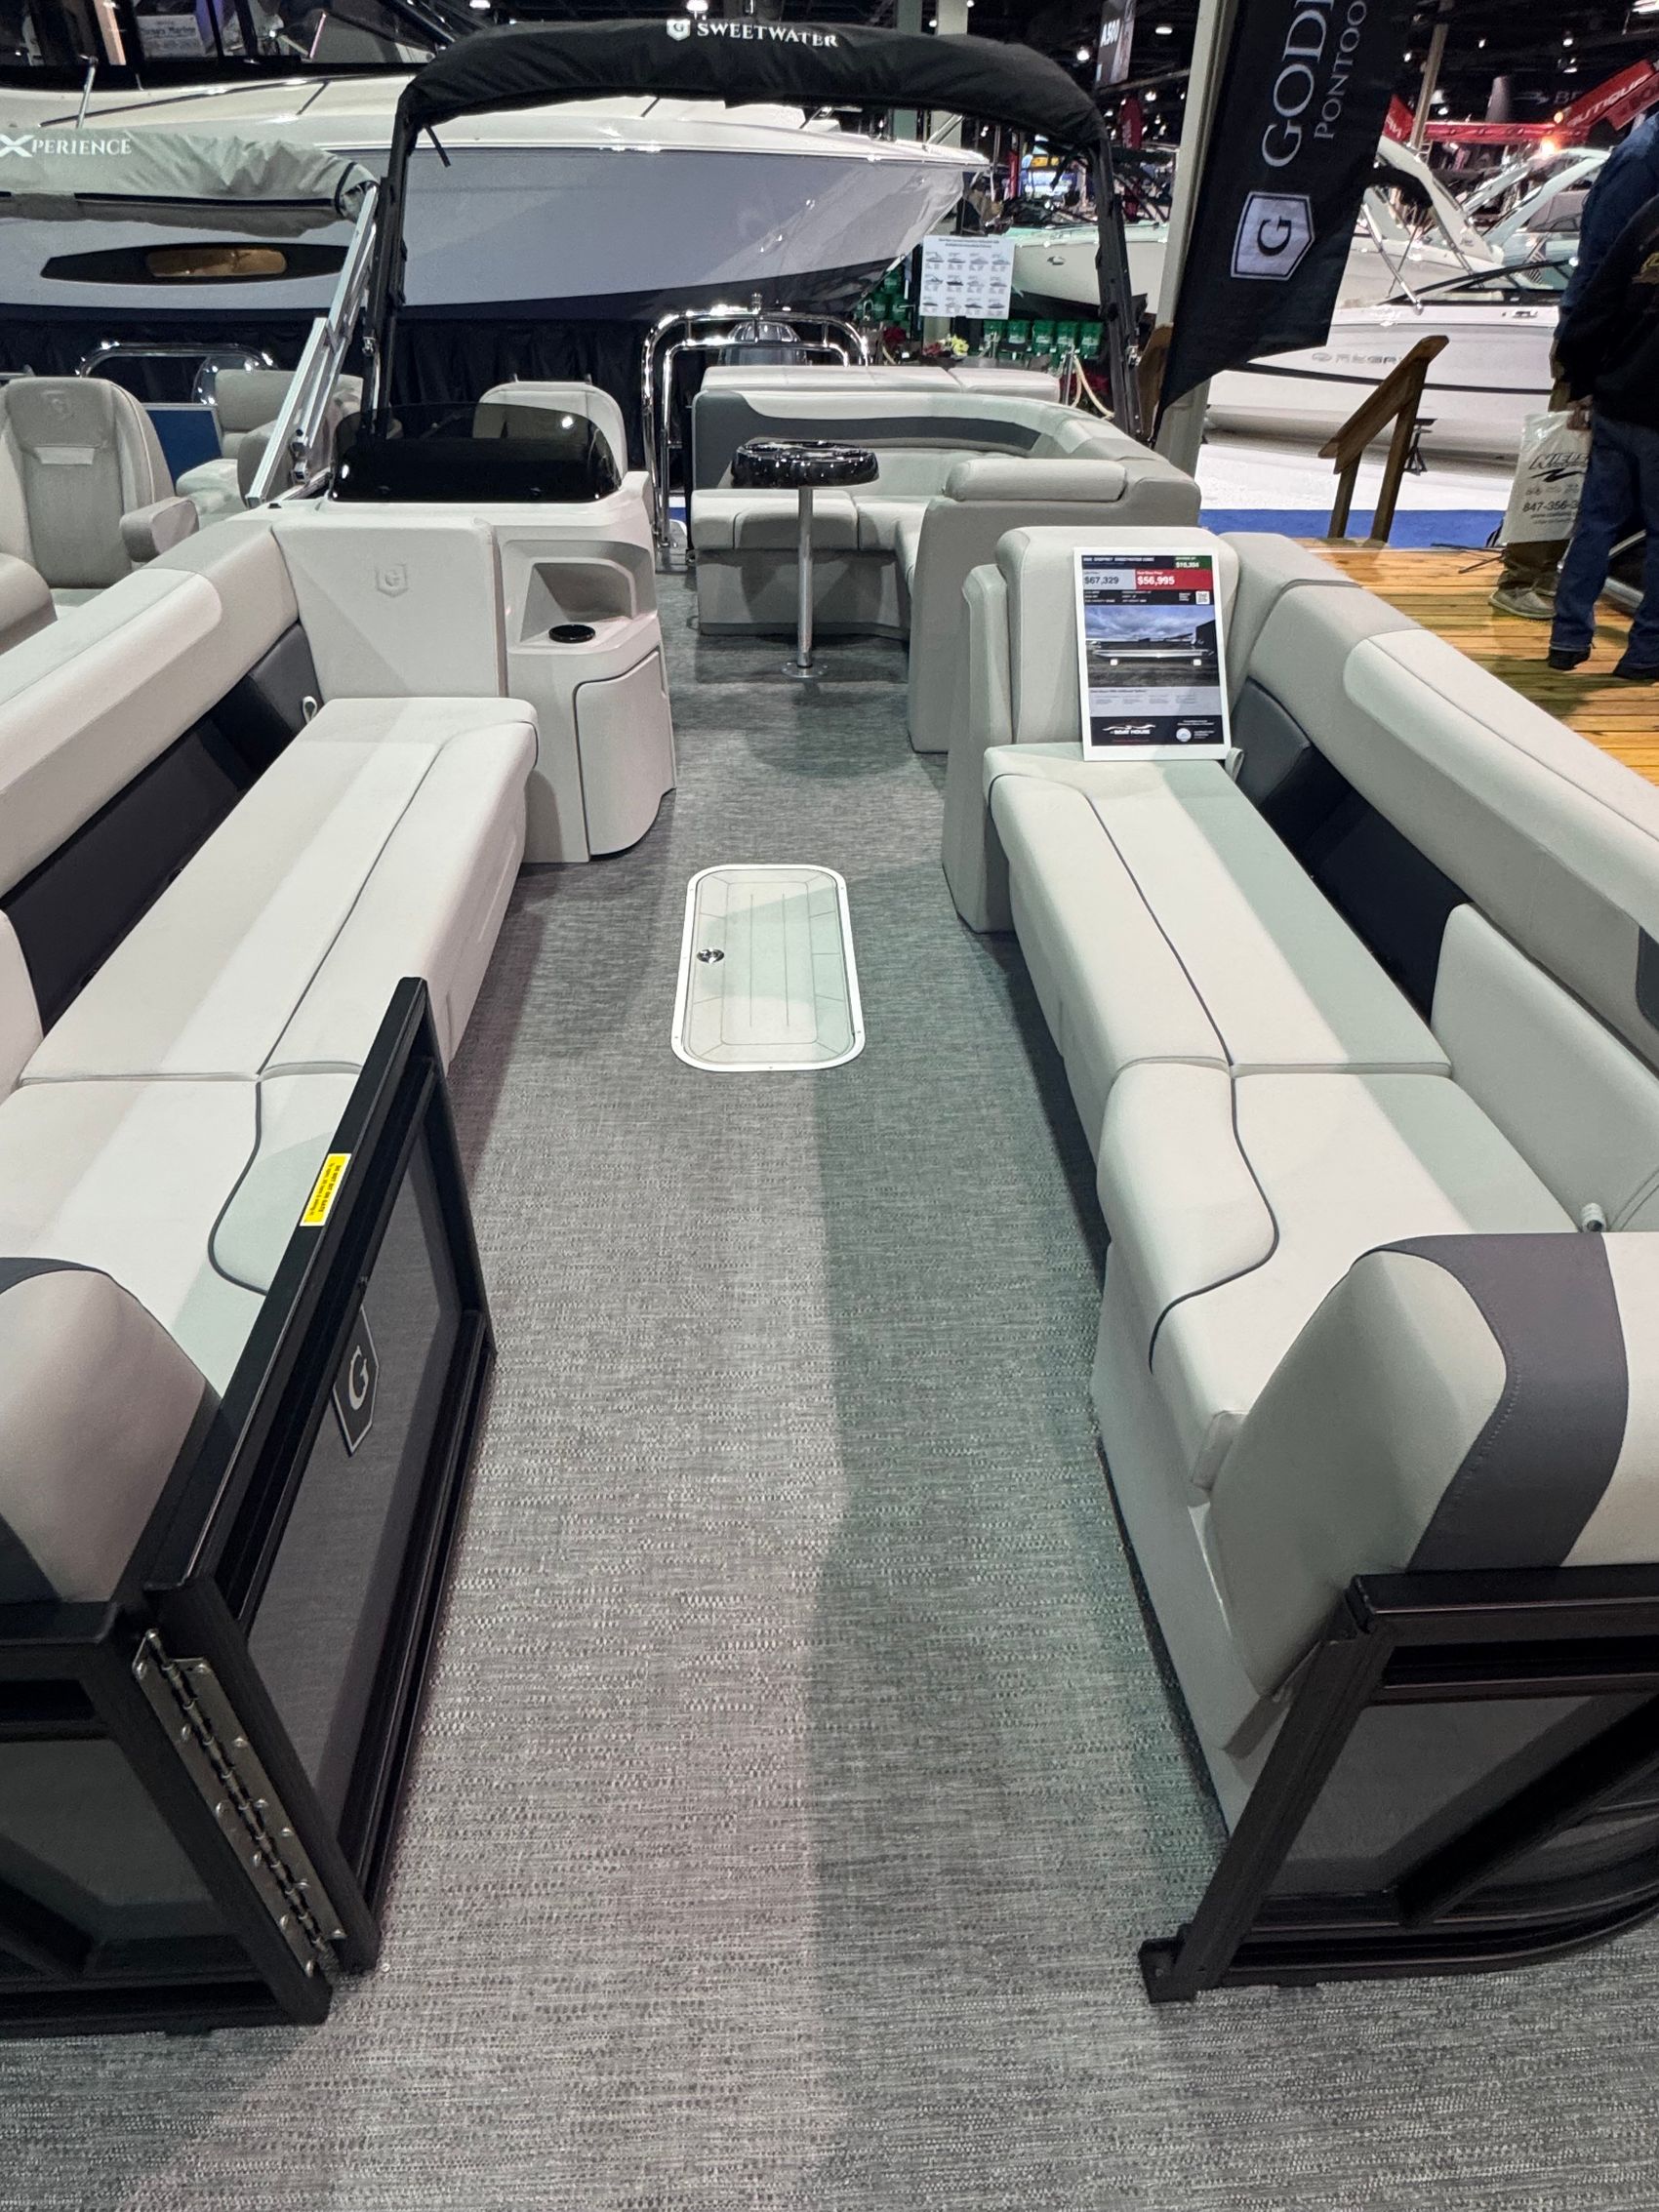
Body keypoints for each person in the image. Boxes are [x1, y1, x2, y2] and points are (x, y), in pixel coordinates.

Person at [1491, 111, 1659, 620]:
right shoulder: (1644, 159)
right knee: (1560, 457)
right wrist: (1580, 354)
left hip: (1624, 337)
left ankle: (1553, 576)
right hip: (1604, 336)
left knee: (1590, 471)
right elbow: (1606, 258)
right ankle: (1522, 576)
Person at [1546, 190, 1659, 681]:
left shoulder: (1650, 212)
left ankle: (1567, 638)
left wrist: (1580, 381)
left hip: (1616, 398)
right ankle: (1646, 652)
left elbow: (1599, 298)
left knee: (1595, 524)